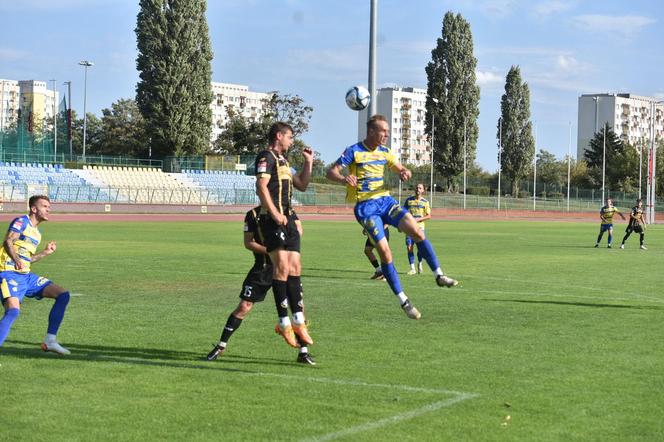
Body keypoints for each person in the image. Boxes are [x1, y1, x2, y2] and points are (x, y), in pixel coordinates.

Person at [327, 114, 458, 320]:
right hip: (366, 208)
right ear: (371, 131)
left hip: (385, 202)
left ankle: (439, 275)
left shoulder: (385, 152)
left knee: (416, 230)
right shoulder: (354, 151)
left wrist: (405, 172)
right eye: (383, 131)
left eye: (387, 131)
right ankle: (404, 301)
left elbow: (400, 168)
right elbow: (330, 171)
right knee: (385, 253)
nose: (387, 134)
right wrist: (344, 178)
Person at [206, 207, 315, 365]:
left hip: (287, 268)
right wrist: (273, 250)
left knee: (299, 308)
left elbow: (299, 229)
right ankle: (221, 346)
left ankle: (303, 352)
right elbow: (248, 242)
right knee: (244, 306)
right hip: (263, 268)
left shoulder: (288, 211)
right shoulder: (253, 215)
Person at [255, 122, 314, 348]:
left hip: (289, 220)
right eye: (289, 137)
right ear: (279, 136)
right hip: (273, 221)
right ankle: (284, 323)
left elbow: (302, 184)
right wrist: (274, 214)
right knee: (281, 269)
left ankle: (298, 321)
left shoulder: (285, 162)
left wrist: (308, 163)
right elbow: (261, 188)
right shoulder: (266, 157)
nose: (291, 141)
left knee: (295, 269)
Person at [0, 195, 71, 354]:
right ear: (34, 208)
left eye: (49, 207)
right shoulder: (21, 221)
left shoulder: (37, 234)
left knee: (63, 295)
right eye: (45, 206)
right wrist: (16, 259)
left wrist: (45, 253)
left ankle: (50, 340)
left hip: (26, 276)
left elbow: (27, 260)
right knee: (12, 311)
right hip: (8, 272)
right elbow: (8, 241)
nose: (48, 209)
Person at [403, 183, 431, 275]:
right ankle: (412, 268)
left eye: (420, 188)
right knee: (409, 247)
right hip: (409, 227)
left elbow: (429, 216)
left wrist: (418, 219)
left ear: (423, 190)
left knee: (420, 248)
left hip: (420, 227)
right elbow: (403, 212)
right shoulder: (409, 200)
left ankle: (420, 263)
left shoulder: (425, 202)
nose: (418, 189)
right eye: (417, 187)